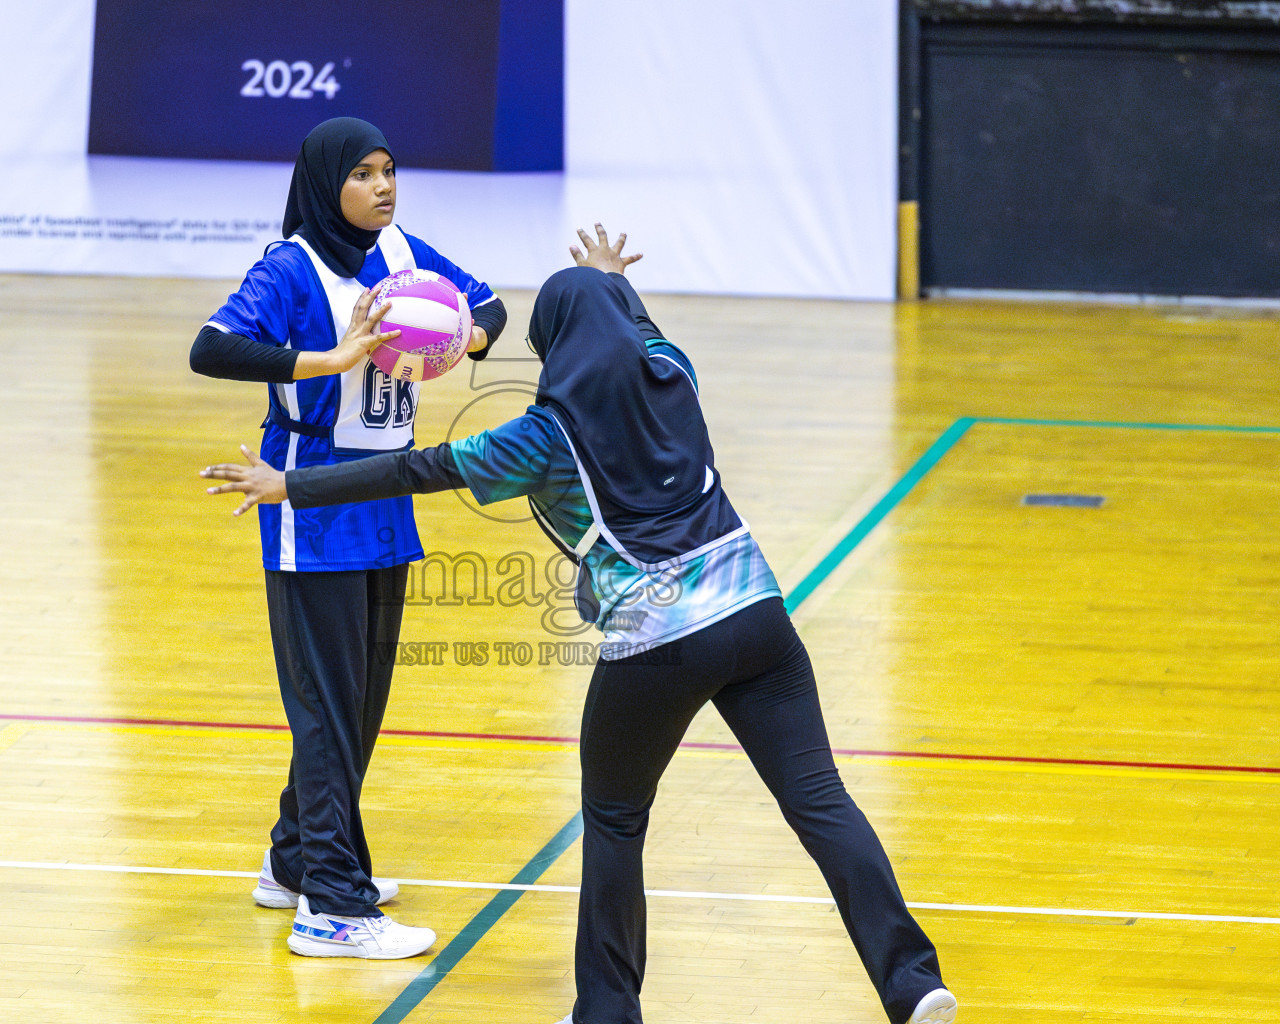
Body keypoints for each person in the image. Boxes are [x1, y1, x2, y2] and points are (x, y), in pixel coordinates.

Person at [200, 226, 956, 1023]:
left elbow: (415, 469)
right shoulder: (675, 375)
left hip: (660, 642)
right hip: (761, 617)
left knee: (615, 819)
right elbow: (640, 330)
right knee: (822, 801)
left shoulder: (540, 438)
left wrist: (292, 484)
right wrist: (607, 282)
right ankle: (911, 982)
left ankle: (607, 1012)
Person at [189, 116, 508, 960]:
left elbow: (491, 307)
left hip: (383, 500)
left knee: (357, 707)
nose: (383, 185)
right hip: (309, 507)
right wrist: (326, 361)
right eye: (364, 174)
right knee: (327, 712)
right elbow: (212, 348)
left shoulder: (403, 254)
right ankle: (333, 908)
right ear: (328, 183)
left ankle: (293, 862)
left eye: (390, 170)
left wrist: (459, 342)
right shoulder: (289, 268)